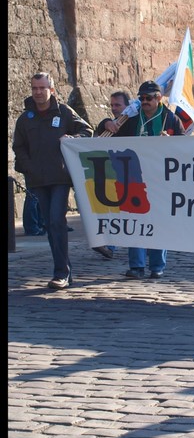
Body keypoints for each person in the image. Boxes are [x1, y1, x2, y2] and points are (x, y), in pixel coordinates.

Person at [12, 72, 93, 290]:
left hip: (60, 177)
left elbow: (87, 131)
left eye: (42, 88)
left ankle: (61, 273)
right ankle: (64, 270)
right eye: (34, 88)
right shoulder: (25, 118)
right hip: (37, 179)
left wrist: (72, 139)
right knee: (50, 223)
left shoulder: (64, 112)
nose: (38, 92)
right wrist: (28, 166)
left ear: (52, 90)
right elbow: (18, 146)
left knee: (57, 220)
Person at [115, 81, 184, 279]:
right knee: (135, 220)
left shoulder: (170, 119)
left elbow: (185, 148)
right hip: (134, 175)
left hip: (161, 179)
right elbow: (110, 132)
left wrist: (171, 143)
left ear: (158, 98)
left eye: (149, 98)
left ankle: (157, 266)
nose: (144, 102)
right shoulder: (131, 118)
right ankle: (136, 266)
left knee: (158, 222)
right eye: (142, 98)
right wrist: (106, 123)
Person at [92, 90, 133, 259]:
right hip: (114, 171)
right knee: (113, 209)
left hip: (133, 172)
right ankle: (110, 244)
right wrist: (105, 123)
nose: (114, 108)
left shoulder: (134, 122)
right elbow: (99, 132)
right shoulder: (112, 123)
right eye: (112, 105)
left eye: (118, 105)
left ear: (127, 106)